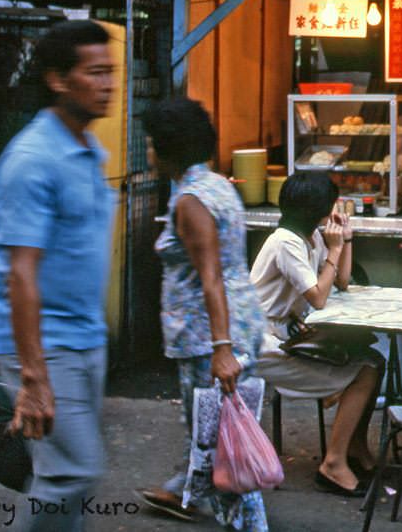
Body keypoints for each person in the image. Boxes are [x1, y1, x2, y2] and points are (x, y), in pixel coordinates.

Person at [0, 20, 116, 531]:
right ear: (58, 80)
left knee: (64, 480)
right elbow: (20, 274)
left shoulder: (87, 150)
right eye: (95, 73)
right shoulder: (32, 159)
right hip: (46, 343)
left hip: (85, 337)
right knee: (71, 474)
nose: (107, 84)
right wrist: (33, 375)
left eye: (111, 73)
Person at [134, 98, 269, 529]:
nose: (149, 152)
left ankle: (248, 523)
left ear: (169, 149)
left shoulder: (190, 200)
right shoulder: (217, 185)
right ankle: (183, 490)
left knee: (219, 440)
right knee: (214, 431)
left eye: (152, 145)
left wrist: (221, 349)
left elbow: (210, 277)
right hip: (234, 319)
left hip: (207, 332)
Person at [250, 172, 382, 497]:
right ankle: (333, 464)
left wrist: (345, 240)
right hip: (262, 342)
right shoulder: (285, 242)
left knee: (375, 361)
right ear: (320, 211)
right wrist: (335, 250)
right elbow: (319, 298)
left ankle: (355, 449)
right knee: (364, 372)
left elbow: (342, 282)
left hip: (288, 332)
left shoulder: (310, 236)